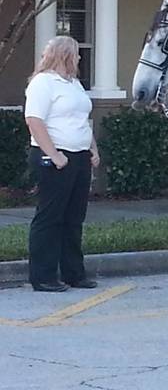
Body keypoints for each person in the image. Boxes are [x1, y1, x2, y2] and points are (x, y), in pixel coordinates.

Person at [24, 36, 99, 292]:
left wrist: (92, 148)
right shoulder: (43, 83)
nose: (79, 58)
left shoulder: (74, 84)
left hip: (79, 157)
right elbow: (34, 120)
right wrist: (55, 155)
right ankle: (43, 276)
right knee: (50, 216)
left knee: (73, 218)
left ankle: (74, 273)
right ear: (65, 54)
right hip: (54, 158)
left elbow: (81, 119)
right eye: (76, 54)